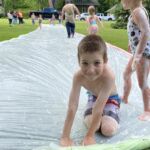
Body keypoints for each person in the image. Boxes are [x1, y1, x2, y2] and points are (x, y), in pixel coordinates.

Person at [60, 35, 121, 146]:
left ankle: (111, 115)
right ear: (79, 61)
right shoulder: (78, 77)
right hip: (93, 97)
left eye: (97, 63)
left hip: (111, 99)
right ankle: (99, 121)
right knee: (94, 125)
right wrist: (65, 136)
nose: (91, 70)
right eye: (85, 63)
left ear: (105, 60)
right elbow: (72, 106)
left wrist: (89, 136)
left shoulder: (109, 76)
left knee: (108, 130)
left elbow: (98, 108)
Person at [121, 0, 150, 121]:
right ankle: (125, 98)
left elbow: (146, 31)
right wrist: (132, 43)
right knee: (126, 74)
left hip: (142, 54)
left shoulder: (138, 12)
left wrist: (138, 55)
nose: (121, 1)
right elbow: (138, 30)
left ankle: (147, 110)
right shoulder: (136, 11)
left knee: (142, 83)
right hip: (137, 52)